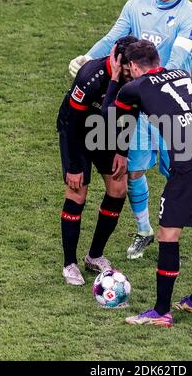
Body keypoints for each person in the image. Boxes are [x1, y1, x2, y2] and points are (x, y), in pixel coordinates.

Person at [68, 0, 192, 260]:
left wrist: (152, 90)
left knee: (180, 171)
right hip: (137, 107)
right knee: (132, 170)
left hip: (170, 109)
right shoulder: (136, 4)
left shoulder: (189, 16)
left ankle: (180, 230)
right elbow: (115, 38)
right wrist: (88, 58)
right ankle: (144, 231)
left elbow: (178, 61)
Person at [107, 40, 192, 327]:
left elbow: (111, 114)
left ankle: (161, 312)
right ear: (158, 59)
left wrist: (114, 77)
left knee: (167, 234)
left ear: (134, 67)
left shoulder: (134, 87)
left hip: (189, 162)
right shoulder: (183, 75)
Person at [57, 36, 138, 286]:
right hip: (77, 132)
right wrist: (73, 166)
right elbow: (71, 121)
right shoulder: (90, 75)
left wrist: (122, 152)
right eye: (126, 70)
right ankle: (69, 264)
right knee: (77, 194)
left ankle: (94, 255)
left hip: (105, 132)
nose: (131, 75)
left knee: (118, 188)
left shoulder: (135, 77)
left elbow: (130, 113)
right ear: (115, 59)